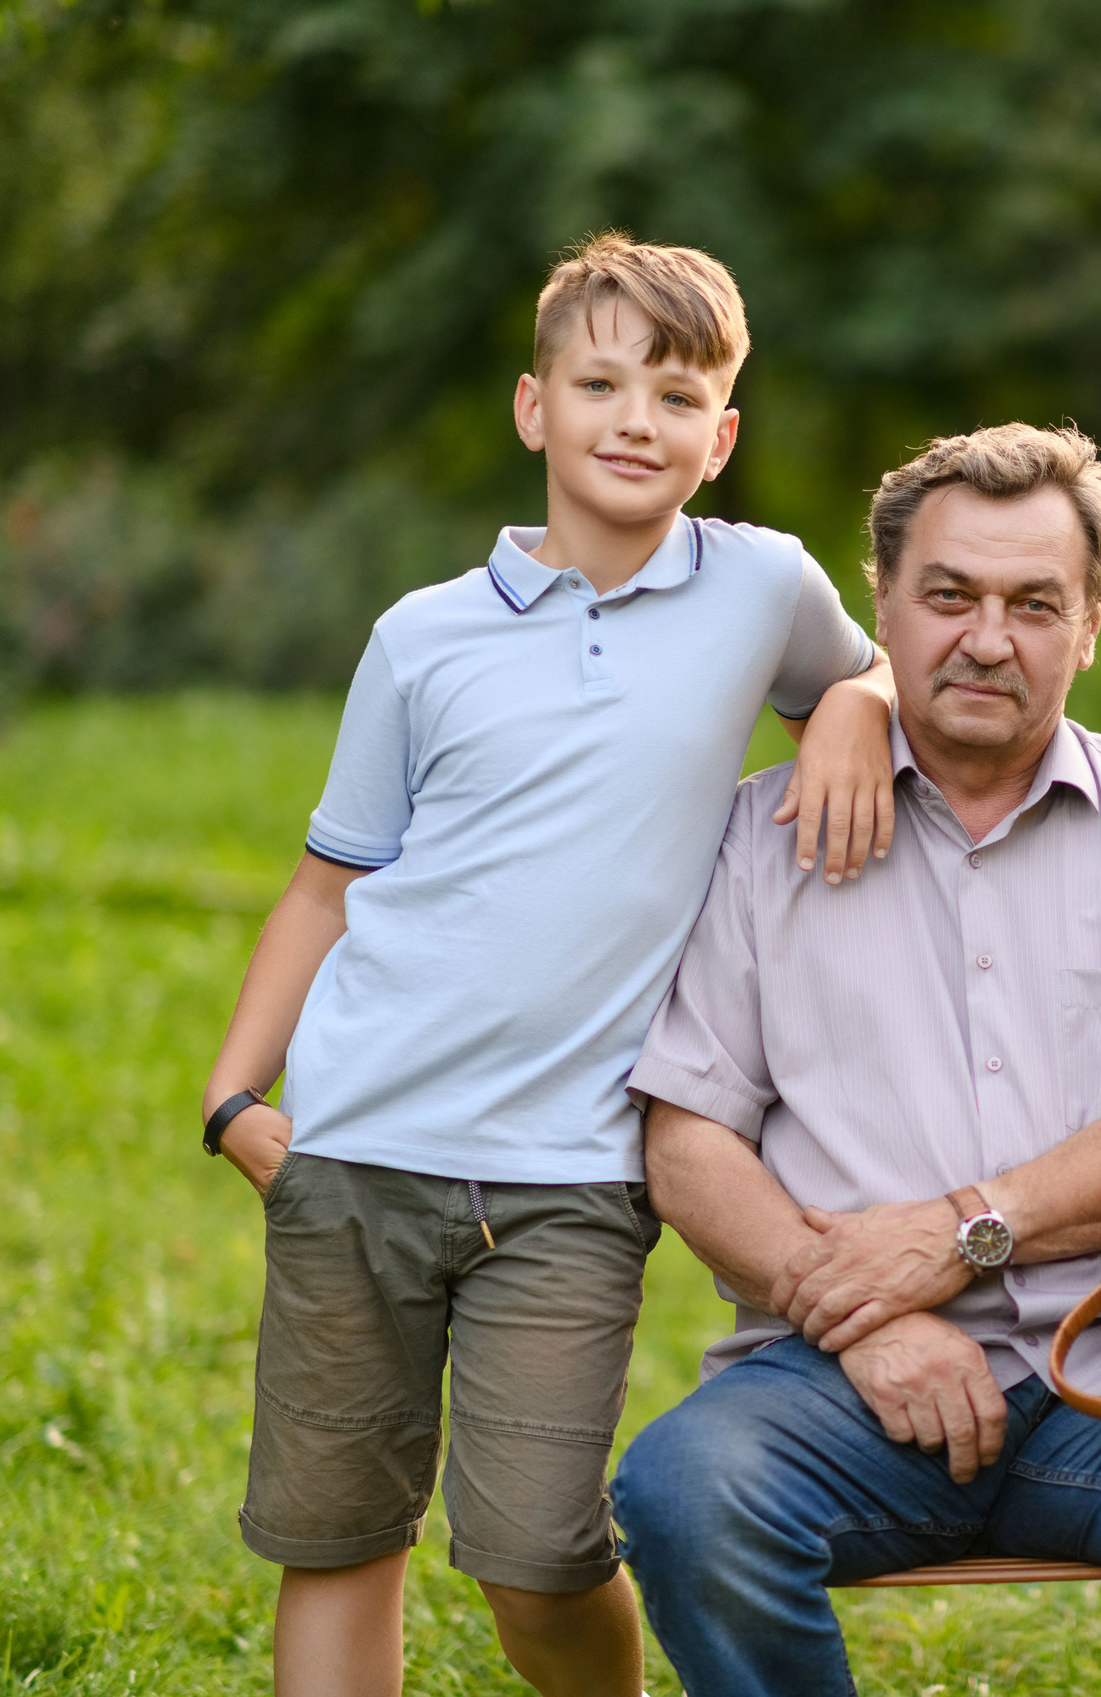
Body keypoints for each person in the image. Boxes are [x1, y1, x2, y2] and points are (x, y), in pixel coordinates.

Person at [197, 232, 899, 1697]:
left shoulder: (761, 587)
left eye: (677, 391)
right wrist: (234, 1095)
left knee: (537, 1551)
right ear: (535, 409)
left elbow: (865, 664)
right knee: (338, 1537)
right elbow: (330, 886)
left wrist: (852, 707)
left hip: (572, 1174)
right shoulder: (422, 638)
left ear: (724, 437)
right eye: (600, 382)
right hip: (356, 1142)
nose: (635, 418)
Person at [610, 423, 1101, 1697]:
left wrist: (964, 1234)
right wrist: (867, 1315)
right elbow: (687, 1141)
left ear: (1089, 624)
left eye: (1033, 603)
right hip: (838, 1382)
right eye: (948, 596)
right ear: (883, 605)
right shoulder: (755, 841)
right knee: (684, 1489)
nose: (987, 637)